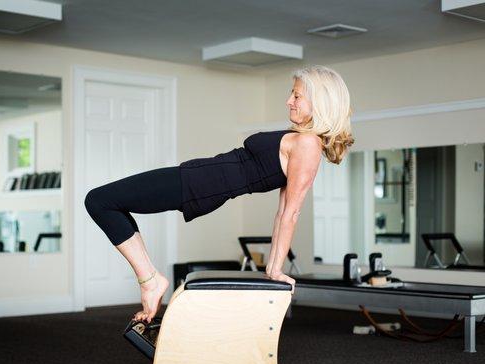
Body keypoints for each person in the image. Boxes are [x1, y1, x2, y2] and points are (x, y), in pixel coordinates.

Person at [85, 65, 354, 323]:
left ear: (320, 103)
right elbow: (282, 209)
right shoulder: (300, 139)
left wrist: (275, 269)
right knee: (107, 202)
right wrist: (272, 268)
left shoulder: (308, 145)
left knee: (99, 200)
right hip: (197, 176)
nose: (288, 101)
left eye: (296, 95)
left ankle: (150, 281)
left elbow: (290, 212)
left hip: (197, 184)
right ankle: (151, 280)